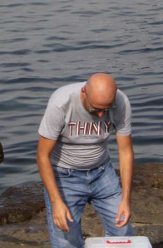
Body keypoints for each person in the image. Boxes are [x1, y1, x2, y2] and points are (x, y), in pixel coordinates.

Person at [37, 73, 134, 248]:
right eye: (95, 108)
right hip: (64, 176)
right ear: (84, 92)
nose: (100, 114)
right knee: (66, 240)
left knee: (123, 230)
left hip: (103, 173)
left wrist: (125, 200)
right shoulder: (61, 102)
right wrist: (56, 202)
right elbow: (42, 155)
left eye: (106, 109)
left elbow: (125, 152)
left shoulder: (121, 102)